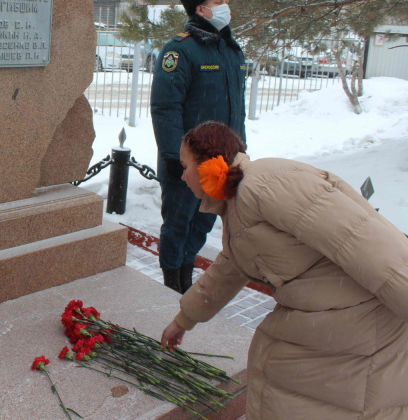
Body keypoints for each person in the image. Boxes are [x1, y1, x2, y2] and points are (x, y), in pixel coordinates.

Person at [160, 121, 408, 419]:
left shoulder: (266, 184)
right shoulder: (238, 199)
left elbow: (365, 243)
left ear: (208, 164)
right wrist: (184, 319)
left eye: (185, 165)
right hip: (330, 310)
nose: (182, 175)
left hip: (360, 316)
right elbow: (230, 267)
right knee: (276, 372)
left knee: (283, 374)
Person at [150, 0, 247, 294]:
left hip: (223, 161)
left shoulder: (232, 51)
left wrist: (241, 149)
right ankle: (171, 286)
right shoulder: (180, 51)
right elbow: (165, 108)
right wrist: (173, 157)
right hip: (187, 162)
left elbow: (236, 108)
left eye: (226, 2)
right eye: (219, 3)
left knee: (203, 223)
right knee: (178, 225)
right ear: (200, 10)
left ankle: (185, 277)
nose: (225, 9)